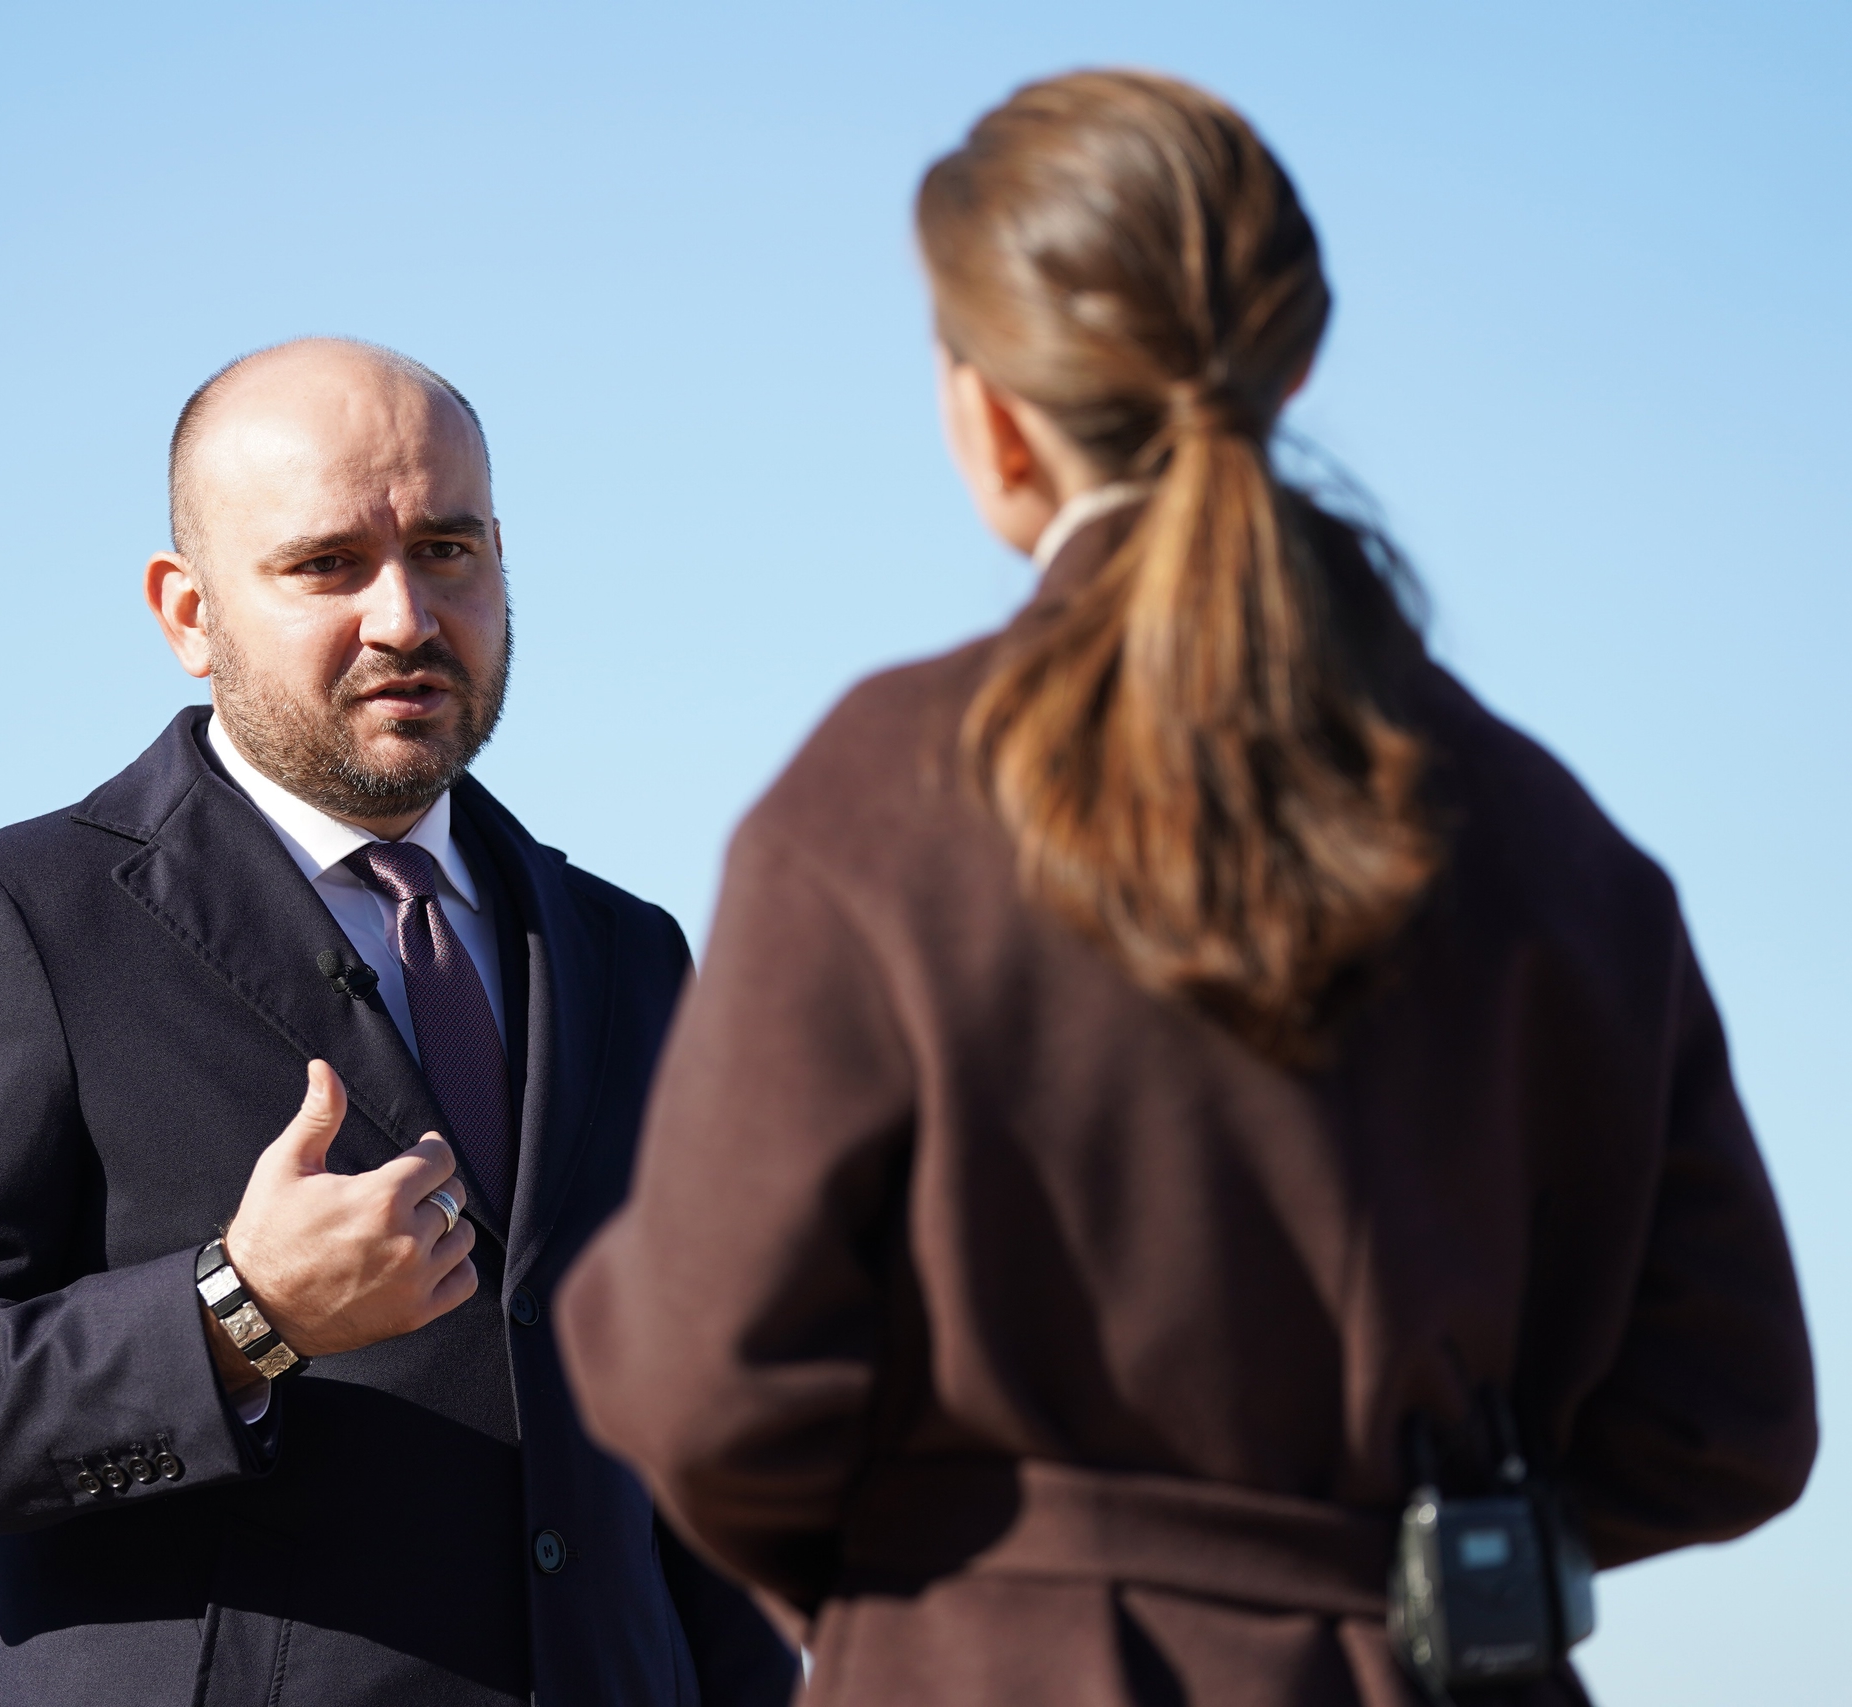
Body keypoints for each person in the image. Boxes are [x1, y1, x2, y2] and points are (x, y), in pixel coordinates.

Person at [556, 71, 1816, 1707]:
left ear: (990, 415)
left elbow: (702, 1383)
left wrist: (959, 1586)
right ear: (1293, 366)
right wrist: (1403, 1556)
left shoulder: (883, 796)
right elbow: (1730, 1415)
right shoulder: (1557, 843)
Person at [0, 338, 795, 1707]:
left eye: (448, 551)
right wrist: (236, 1314)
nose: (406, 617)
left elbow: (687, 1443)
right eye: (327, 566)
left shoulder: (627, 951)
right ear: (188, 612)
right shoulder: (8, 922)